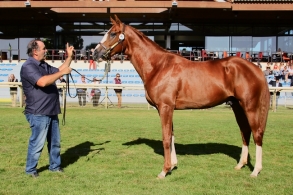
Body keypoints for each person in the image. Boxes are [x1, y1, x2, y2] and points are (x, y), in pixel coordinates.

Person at [20, 39, 74, 177]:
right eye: (44, 48)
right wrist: (62, 74)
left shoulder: (43, 64)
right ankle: (30, 170)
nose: (46, 50)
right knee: (37, 143)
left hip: (51, 110)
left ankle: (55, 167)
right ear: (35, 51)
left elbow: (60, 70)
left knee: (55, 143)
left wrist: (69, 57)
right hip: (38, 112)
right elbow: (42, 82)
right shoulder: (28, 66)